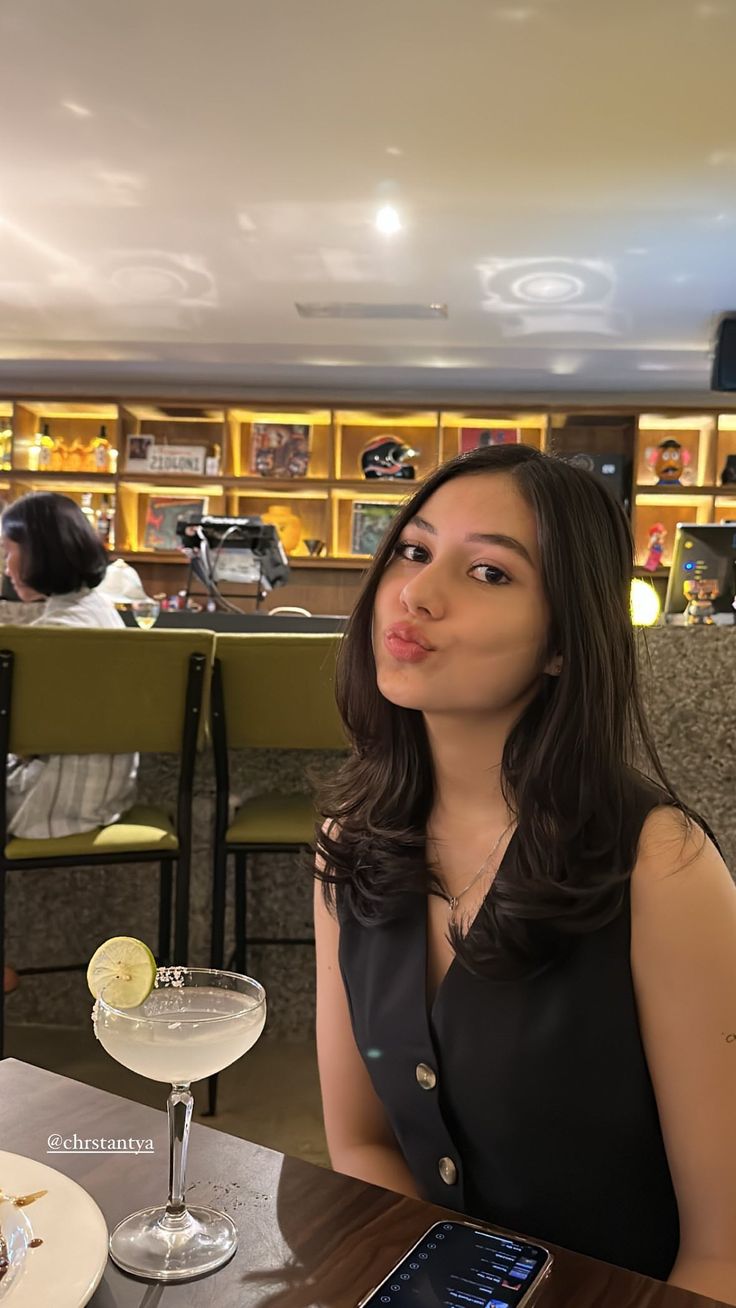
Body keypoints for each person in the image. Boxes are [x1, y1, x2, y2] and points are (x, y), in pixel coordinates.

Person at [314, 444, 736, 1304]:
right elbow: (362, 1145)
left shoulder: (661, 865)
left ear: (561, 644)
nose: (417, 593)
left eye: (489, 573)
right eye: (414, 550)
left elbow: (724, 1252)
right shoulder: (353, 840)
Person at [0, 492, 138, 843]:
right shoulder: (100, 609)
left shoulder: (52, 634)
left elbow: (24, 740)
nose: (5, 566)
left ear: (37, 552)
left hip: (53, 800)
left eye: (9, 551)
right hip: (109, 792)